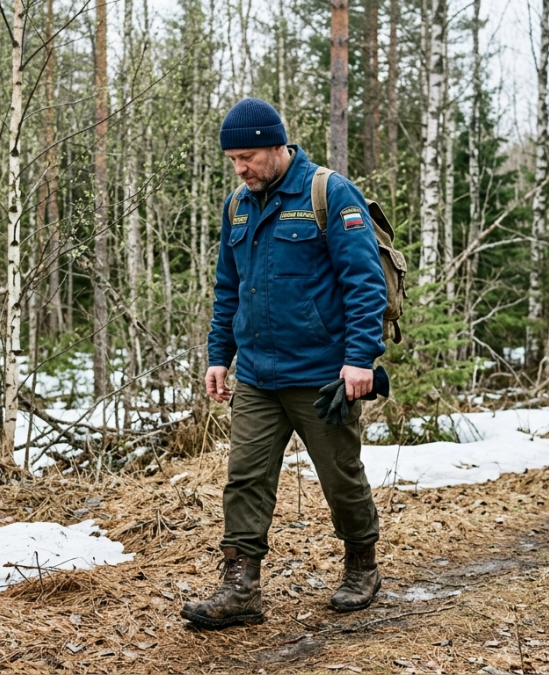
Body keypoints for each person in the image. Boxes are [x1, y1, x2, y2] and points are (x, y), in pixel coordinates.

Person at [180, 98, 387, 628]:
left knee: (340, 476)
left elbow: (365, 283)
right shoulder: (238, 206)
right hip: (255, 374)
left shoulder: (328, 193)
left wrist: (359, 359)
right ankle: (241, 587)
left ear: (277, 146)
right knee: (245, 478)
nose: (240, 168)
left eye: (248, 156)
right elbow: (229, 288)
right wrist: (218, 356)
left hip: (322, 376)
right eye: (233, 159)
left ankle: (362, 564)